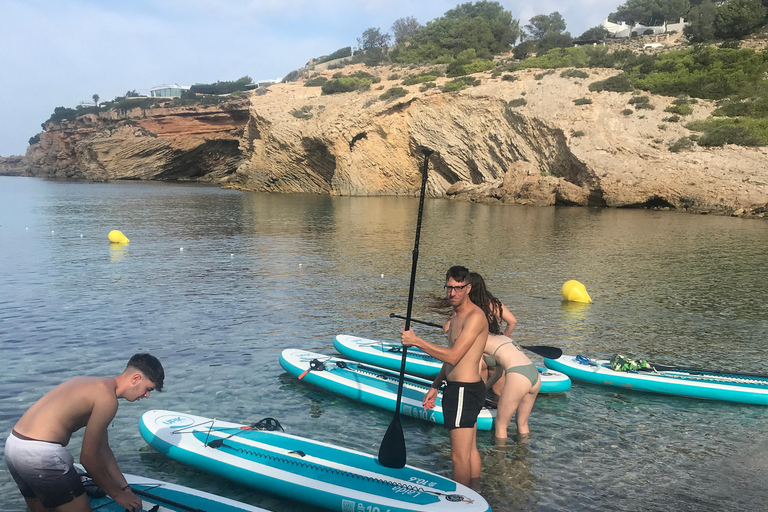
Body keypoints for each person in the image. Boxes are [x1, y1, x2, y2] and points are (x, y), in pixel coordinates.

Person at [4, 353, 164, 512]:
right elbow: (88, 459)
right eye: (148, 389)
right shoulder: (108, 400)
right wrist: (118, 495)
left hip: (14, 446)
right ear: (135, 378)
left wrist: (124, 488)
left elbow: (103, 449)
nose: (147, 396)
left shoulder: (93, 385)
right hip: (41, 455)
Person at [400, 265, 488, 487]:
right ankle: (474, 498)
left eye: (458, 288)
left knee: (459, 458)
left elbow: (454, 356)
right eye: (449, 288)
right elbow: (449, 361)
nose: (452, 293)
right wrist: (436, 385)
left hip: (463, 391)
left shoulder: (475, 317)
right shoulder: (456, 315)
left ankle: (460, 503)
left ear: (468, 288)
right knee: (469, 450)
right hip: (461, 388)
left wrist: (417, 341)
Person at [468, 272, 540, 441]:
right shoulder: (502, 339)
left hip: (517, 377)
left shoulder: (480, 339)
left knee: (501, 427)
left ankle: (499, 463)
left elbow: (473, 370)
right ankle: (524, 459)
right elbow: (499, 373)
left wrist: (475, 392)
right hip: (534, 375)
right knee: (522, 425)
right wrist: (484, 390)